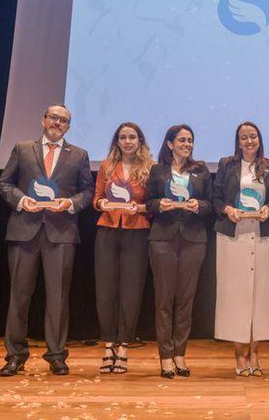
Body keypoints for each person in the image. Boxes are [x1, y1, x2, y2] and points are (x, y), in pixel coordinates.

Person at [0, 104, 94, 377]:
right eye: (53, 117)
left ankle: (56, 355)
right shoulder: (22, 148)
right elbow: (4, 184)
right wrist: (21, 200)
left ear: (68, 127)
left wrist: (70, 203)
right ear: (43, 120)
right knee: (19, 296)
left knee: (58, 297)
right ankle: (15, 355)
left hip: (61, 233)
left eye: (64, 120)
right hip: (23, 230)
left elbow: (87, 191)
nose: (58, 123)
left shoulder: (79, 155)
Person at [146, 124, 212, 378]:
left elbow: (210, 204)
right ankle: (165, 356)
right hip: (162, 239)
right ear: (170, 144)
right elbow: (149, 202)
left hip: (194, 240)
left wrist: (198, 206)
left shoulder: (201, 170)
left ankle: (180, 354)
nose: (187, 144)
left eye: (190, 140)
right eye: (182, 140)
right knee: (164, 299)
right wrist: (159, 205)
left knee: (186, 300)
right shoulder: (157, 170)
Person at [213, 122, 269, 377]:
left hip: (261, 235)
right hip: (233, 236)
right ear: (238, 142)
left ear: (259, 140)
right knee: (236, 296)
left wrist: (268, 209)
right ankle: (239, 353)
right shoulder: (226, 164)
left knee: (260, 297)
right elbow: (217, 197)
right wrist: (227, 209)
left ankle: (255, 352)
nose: (249, 141)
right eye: (243, 137)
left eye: (253, 136)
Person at [92, 122, 154, 374]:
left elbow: (154, 203)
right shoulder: (106, 167)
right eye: (123, 137)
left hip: (136, 232)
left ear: (140, 141)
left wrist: (139, 208)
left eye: (132, 137)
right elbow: (95, 198)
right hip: (107, 230)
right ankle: (108, 346)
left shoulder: (150, 168)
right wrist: (102, 203)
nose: (127, 141)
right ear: (117, 141)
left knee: (131, 291)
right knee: (105, 289)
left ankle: (125, 347)